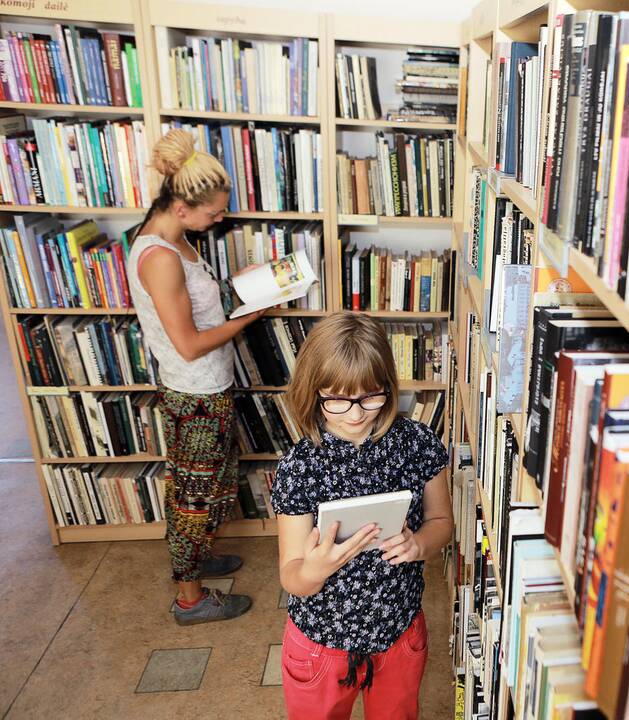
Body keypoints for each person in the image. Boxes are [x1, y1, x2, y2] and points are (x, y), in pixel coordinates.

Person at [272, 312, 453, 720]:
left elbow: (442, 523)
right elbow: (292, 576)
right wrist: (315, 569)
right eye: (336, 399)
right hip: (321, 643)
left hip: (398, 633)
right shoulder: (299, 467)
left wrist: (418, 543)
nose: (355, 414)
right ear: (312, 391)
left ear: (388, 387)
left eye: (371, 396)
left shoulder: (417, 443)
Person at [128, 128, 266, 625]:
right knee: (193, 496)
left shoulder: (173, 235)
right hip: (195, 395)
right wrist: (249, 316)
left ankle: (199, 554)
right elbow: (187, 344)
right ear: (182, 208)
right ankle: (190, 598)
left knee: (213, 483)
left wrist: (243, 287)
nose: (221, 219)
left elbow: (198, 308)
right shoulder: (161, 257)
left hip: (210, 387)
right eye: (213, 213)